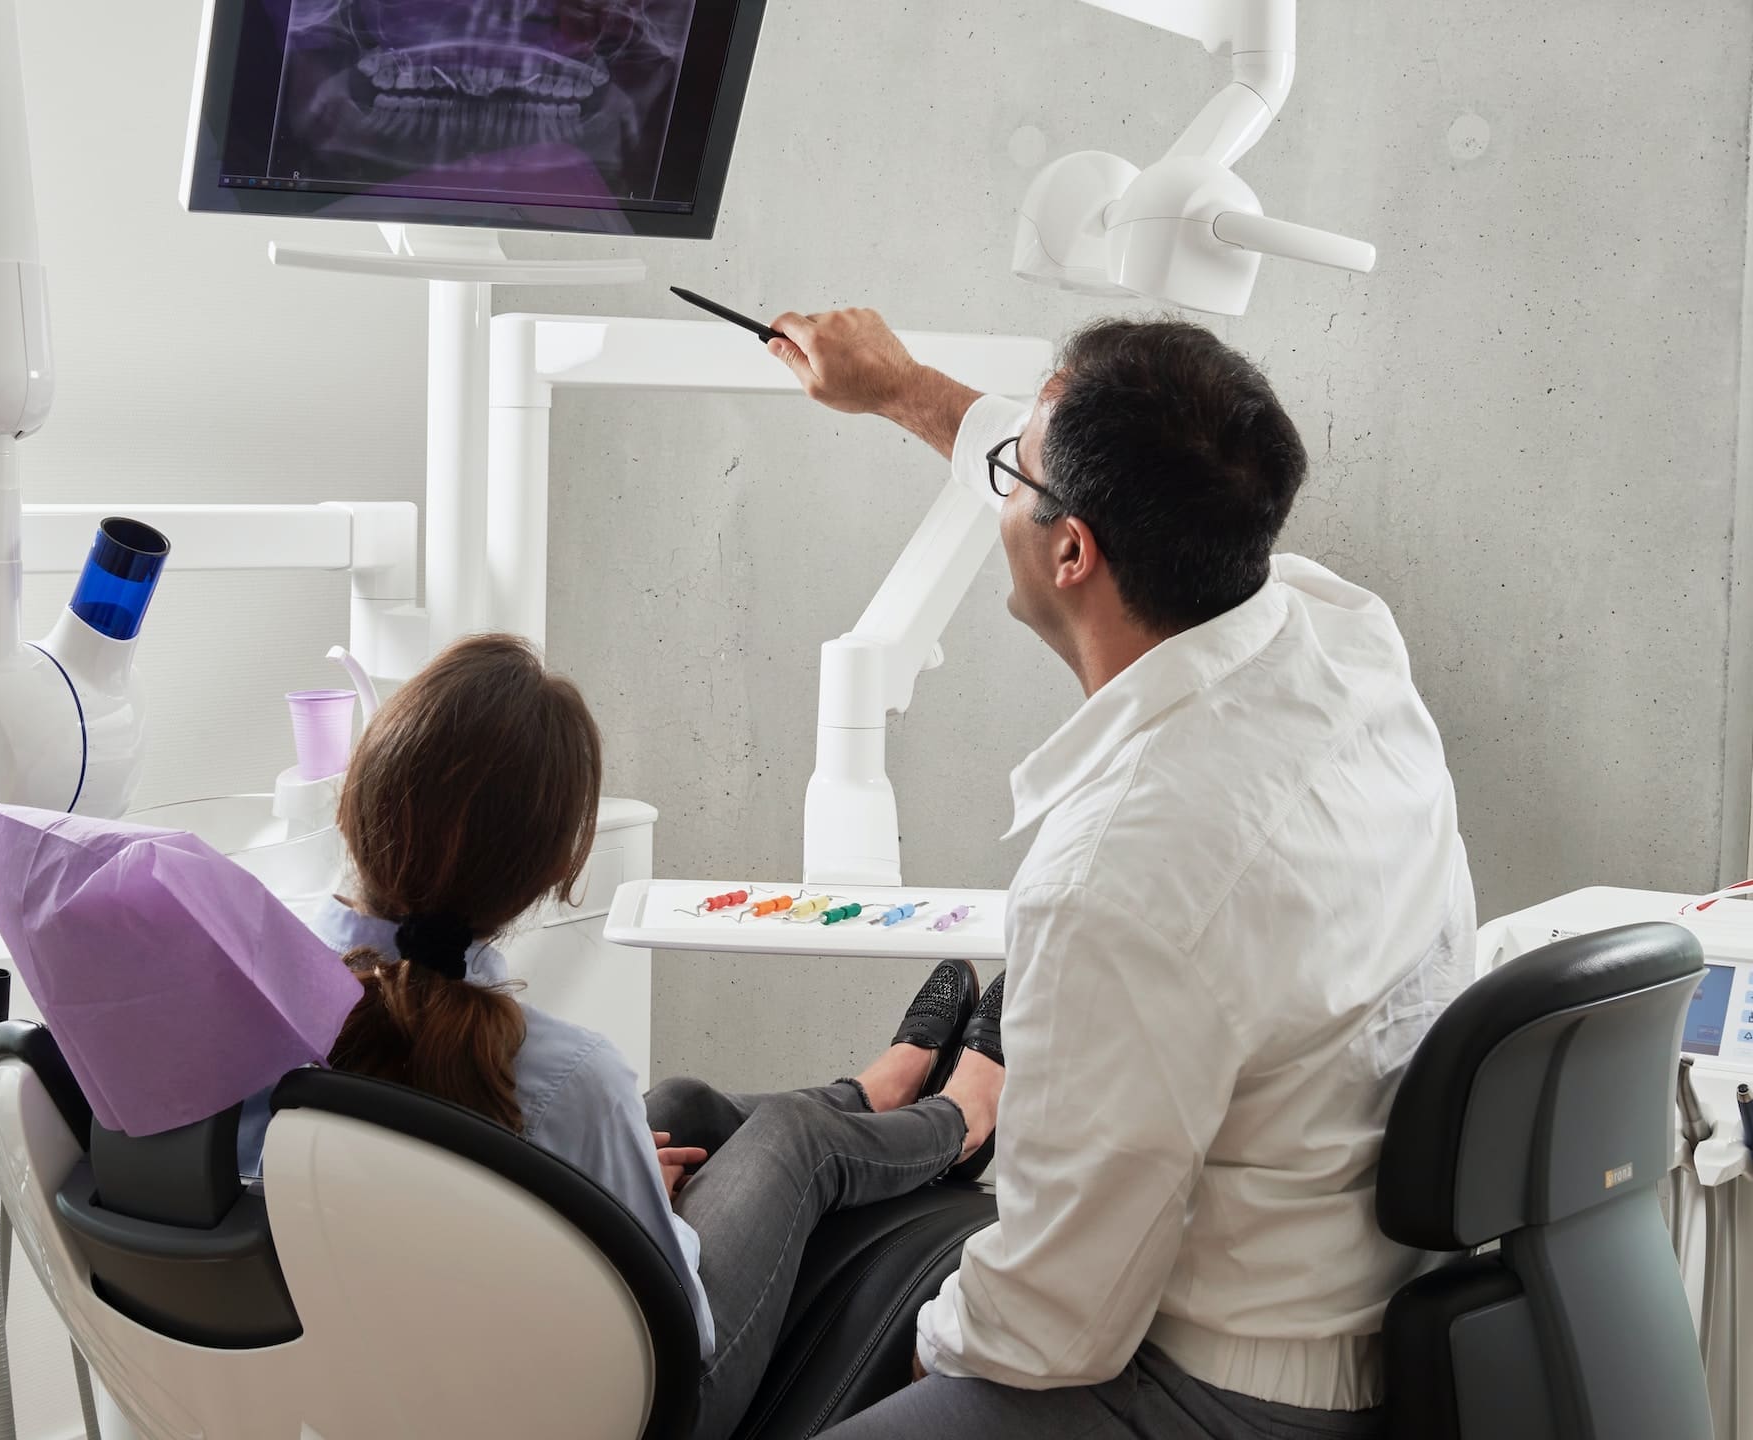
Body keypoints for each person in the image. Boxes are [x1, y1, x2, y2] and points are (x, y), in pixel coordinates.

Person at [759, 310, 1476, 1438]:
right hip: (1352, 1300)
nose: (1005, 469)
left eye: (1016, 470)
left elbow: (1050, 1328)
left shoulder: (1121, 873)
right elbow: (1071, 463)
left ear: (1073, 551)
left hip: (1215, 1390)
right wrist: (898, 388)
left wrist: (912, 1363)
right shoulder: (1340, 632)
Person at [301, 632, 1009, 1440]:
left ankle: (873, 1096)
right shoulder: (569, 1077)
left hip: (413, 1376)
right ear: (551, 874)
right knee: (790, 1139)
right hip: (633, 1408)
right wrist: (643, 1226)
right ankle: (960, 1120)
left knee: (678, 1105)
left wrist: (616, 1188)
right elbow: (682, 1325)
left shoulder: (272, 1003)